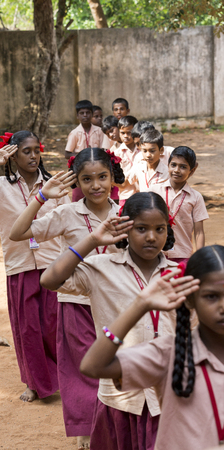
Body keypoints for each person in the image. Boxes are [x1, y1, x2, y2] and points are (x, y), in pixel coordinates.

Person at [40, 192, 180, 450]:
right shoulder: (100, 268)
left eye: (159, 229)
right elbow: (50, 280)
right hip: (120, 399)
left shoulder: (179, 275)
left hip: (168, 399)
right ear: (125, 228)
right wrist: (92, 240)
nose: (151, 237)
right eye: (141, 228)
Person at [9, 147, 125, 450]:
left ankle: (115, 429)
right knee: (83, 370)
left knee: (117, 368)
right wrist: (42, 197)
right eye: (87, 179)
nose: (96, 185)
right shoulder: (66, 213)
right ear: (78, 183)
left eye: (102, 177)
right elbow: (18, 233)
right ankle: (87, 433)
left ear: (113, 177)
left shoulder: (126, 213)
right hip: (77, 304)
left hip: (117, 306)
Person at [0, 130, 71, 403]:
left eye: (36, 150)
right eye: (25, 151)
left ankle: (62, 378)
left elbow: (67, 222)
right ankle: (33, 383)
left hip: (53, 265)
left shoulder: (55, 184)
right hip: (19, 266)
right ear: (13, 156)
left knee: (54, 326)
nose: (32, 156)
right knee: (27, 329)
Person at [80, 244, 224, 450]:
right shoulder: (168, 353)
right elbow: (93, 367)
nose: (222, 307)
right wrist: (141, 304)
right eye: (211, 296)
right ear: (190, 299)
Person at [150, 146, 209, 264]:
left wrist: (200, 258)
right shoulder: (154, 191)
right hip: (156, 253)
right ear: (168, 165)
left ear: (191, 171)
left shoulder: (196, 197)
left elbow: (199, 232)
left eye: (183, 167)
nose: (177, 170)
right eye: (173, 165)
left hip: (183, 254)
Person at [65, 100, 110, 202]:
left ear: (91, 114)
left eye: (88, 113)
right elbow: (67, 153)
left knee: (96, 192)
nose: (85, 115)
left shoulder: (99, 131)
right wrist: (83, 154)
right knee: (78, 195)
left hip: (96, 167)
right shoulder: (75, 133)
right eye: (82, 113)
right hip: (80, 168)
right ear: (77, 116)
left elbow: (105, 150)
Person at [113, 116, 140, 207]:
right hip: (126, 196)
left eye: (129, 133)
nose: (125, 136)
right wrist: (123, 183)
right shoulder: (116, 154)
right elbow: (113, 179)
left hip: (144, 193)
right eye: (122, 133)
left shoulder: (143, 150)